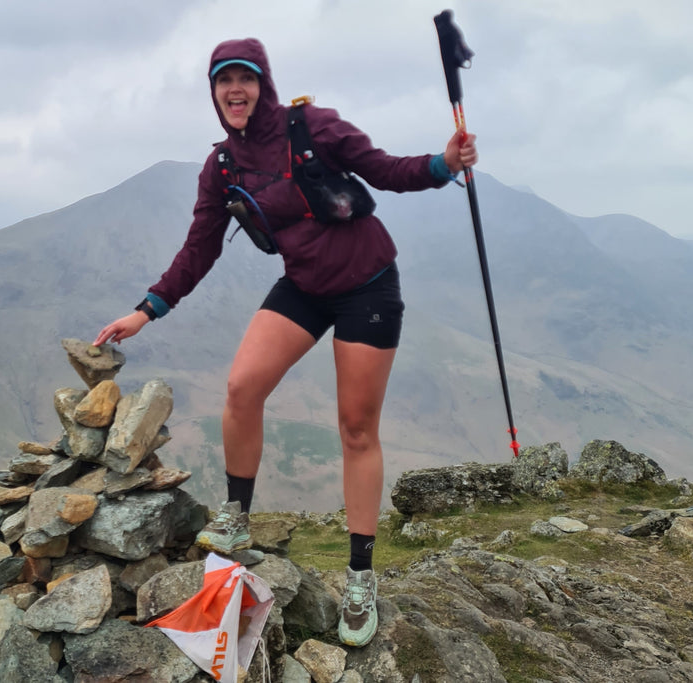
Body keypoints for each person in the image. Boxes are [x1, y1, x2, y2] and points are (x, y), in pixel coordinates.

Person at [94, 37, 477, 648]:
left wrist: (443, 163)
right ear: (214, 92)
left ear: (263, 83)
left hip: (368, 287)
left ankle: (360, 579)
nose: (234, 90)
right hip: (304, 286)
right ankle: (237, 519)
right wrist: (148, 308)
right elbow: (200, 248)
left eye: (244, 78)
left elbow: (384, 170)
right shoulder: (222, 166)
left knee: (356, 428)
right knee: (242, 386)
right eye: (224, 81)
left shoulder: (312, 127)